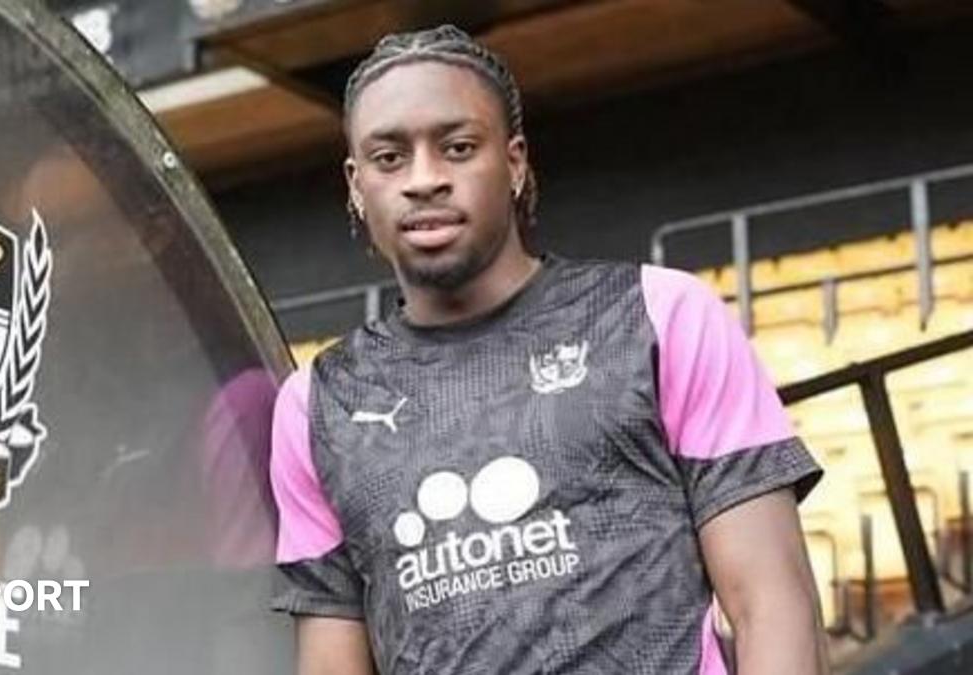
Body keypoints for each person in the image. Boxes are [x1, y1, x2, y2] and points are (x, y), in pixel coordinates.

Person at [269, 24, 827, 675]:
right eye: (389, 158)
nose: (424, 179)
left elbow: (772, 602)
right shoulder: (317, 403)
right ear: (356, 184)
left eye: (456, 146)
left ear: (514, 162)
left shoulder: (659, 315)